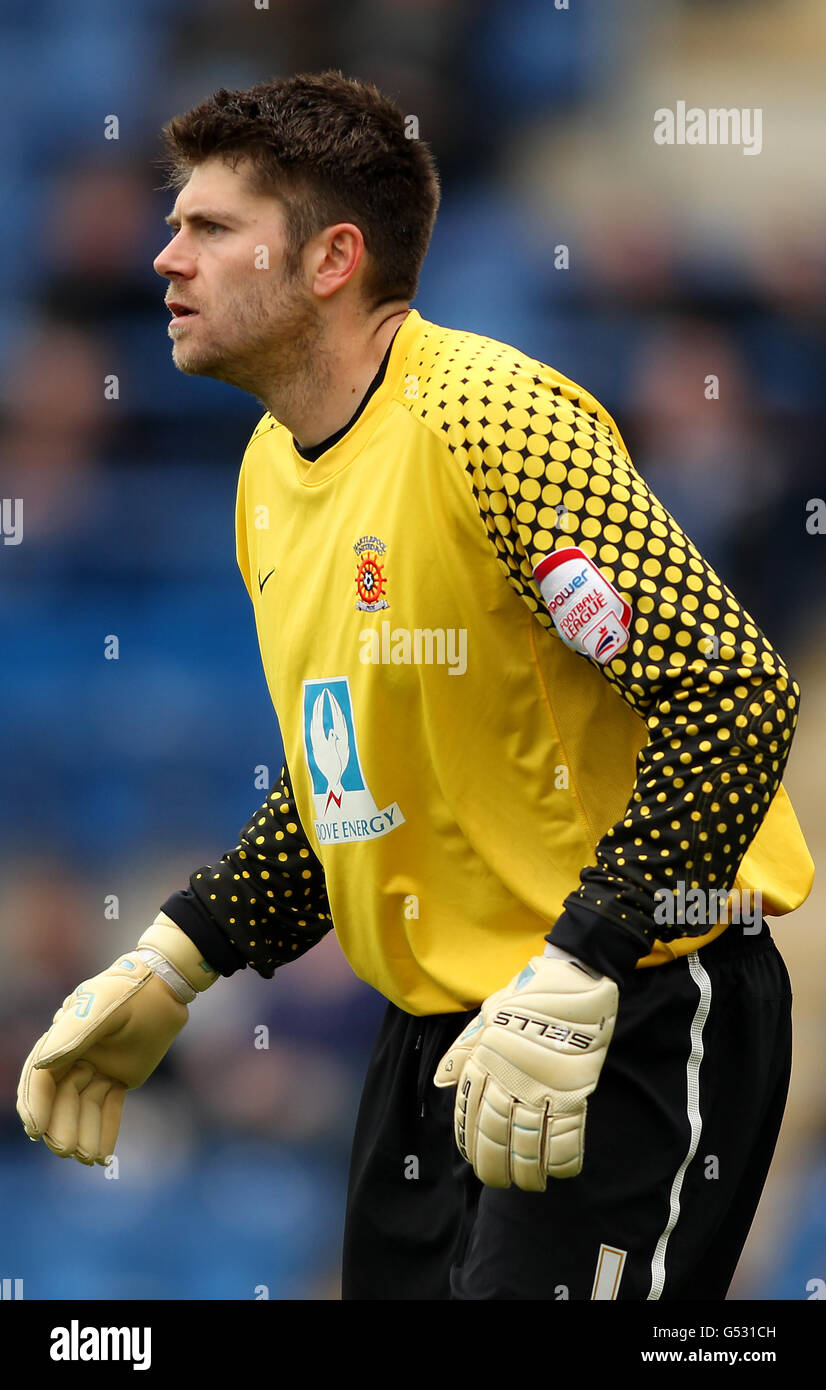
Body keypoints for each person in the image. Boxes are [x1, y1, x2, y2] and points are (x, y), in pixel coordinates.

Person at [17, 72, 814, 1301]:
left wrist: (587, 958)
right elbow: (351, 782)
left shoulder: (493, 418)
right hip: (434, 1037)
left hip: (623, 1007)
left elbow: (735, 689)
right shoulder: (266, 474)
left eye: (210, 227)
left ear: (333, 258)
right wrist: (179, 957)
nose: (162, 255)